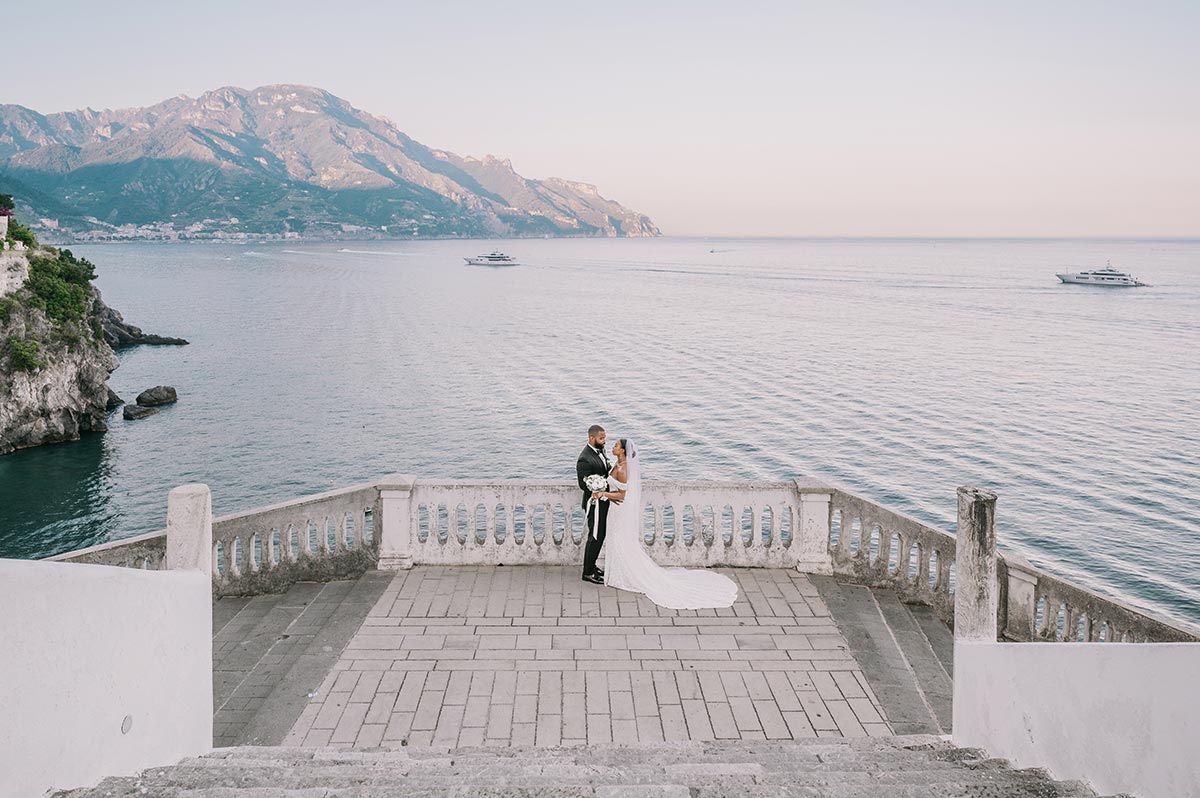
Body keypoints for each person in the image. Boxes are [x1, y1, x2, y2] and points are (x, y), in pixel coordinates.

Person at [591, 437, 739, 609]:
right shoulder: (617, 465)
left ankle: (624, 574)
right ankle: (617, 572)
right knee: (617, 540)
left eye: (616, 445)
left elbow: (622, 496)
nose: (613, 447)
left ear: (623, 450)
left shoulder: (623, 468)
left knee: (619, 540)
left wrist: (602, 494)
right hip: (614, 510)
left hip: (619, 511)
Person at [576, 424, 610, 584]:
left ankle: (592, 565)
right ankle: (587, 572)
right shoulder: (584, 458)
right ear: (592, 438)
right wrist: (599, 485)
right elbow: (583, 485)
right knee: (595, 536)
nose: (604, 441)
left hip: (602, 501)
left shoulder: (600, 450)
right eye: (601, 438)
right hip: (593, 503)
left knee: (600, 535)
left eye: (604, 438)